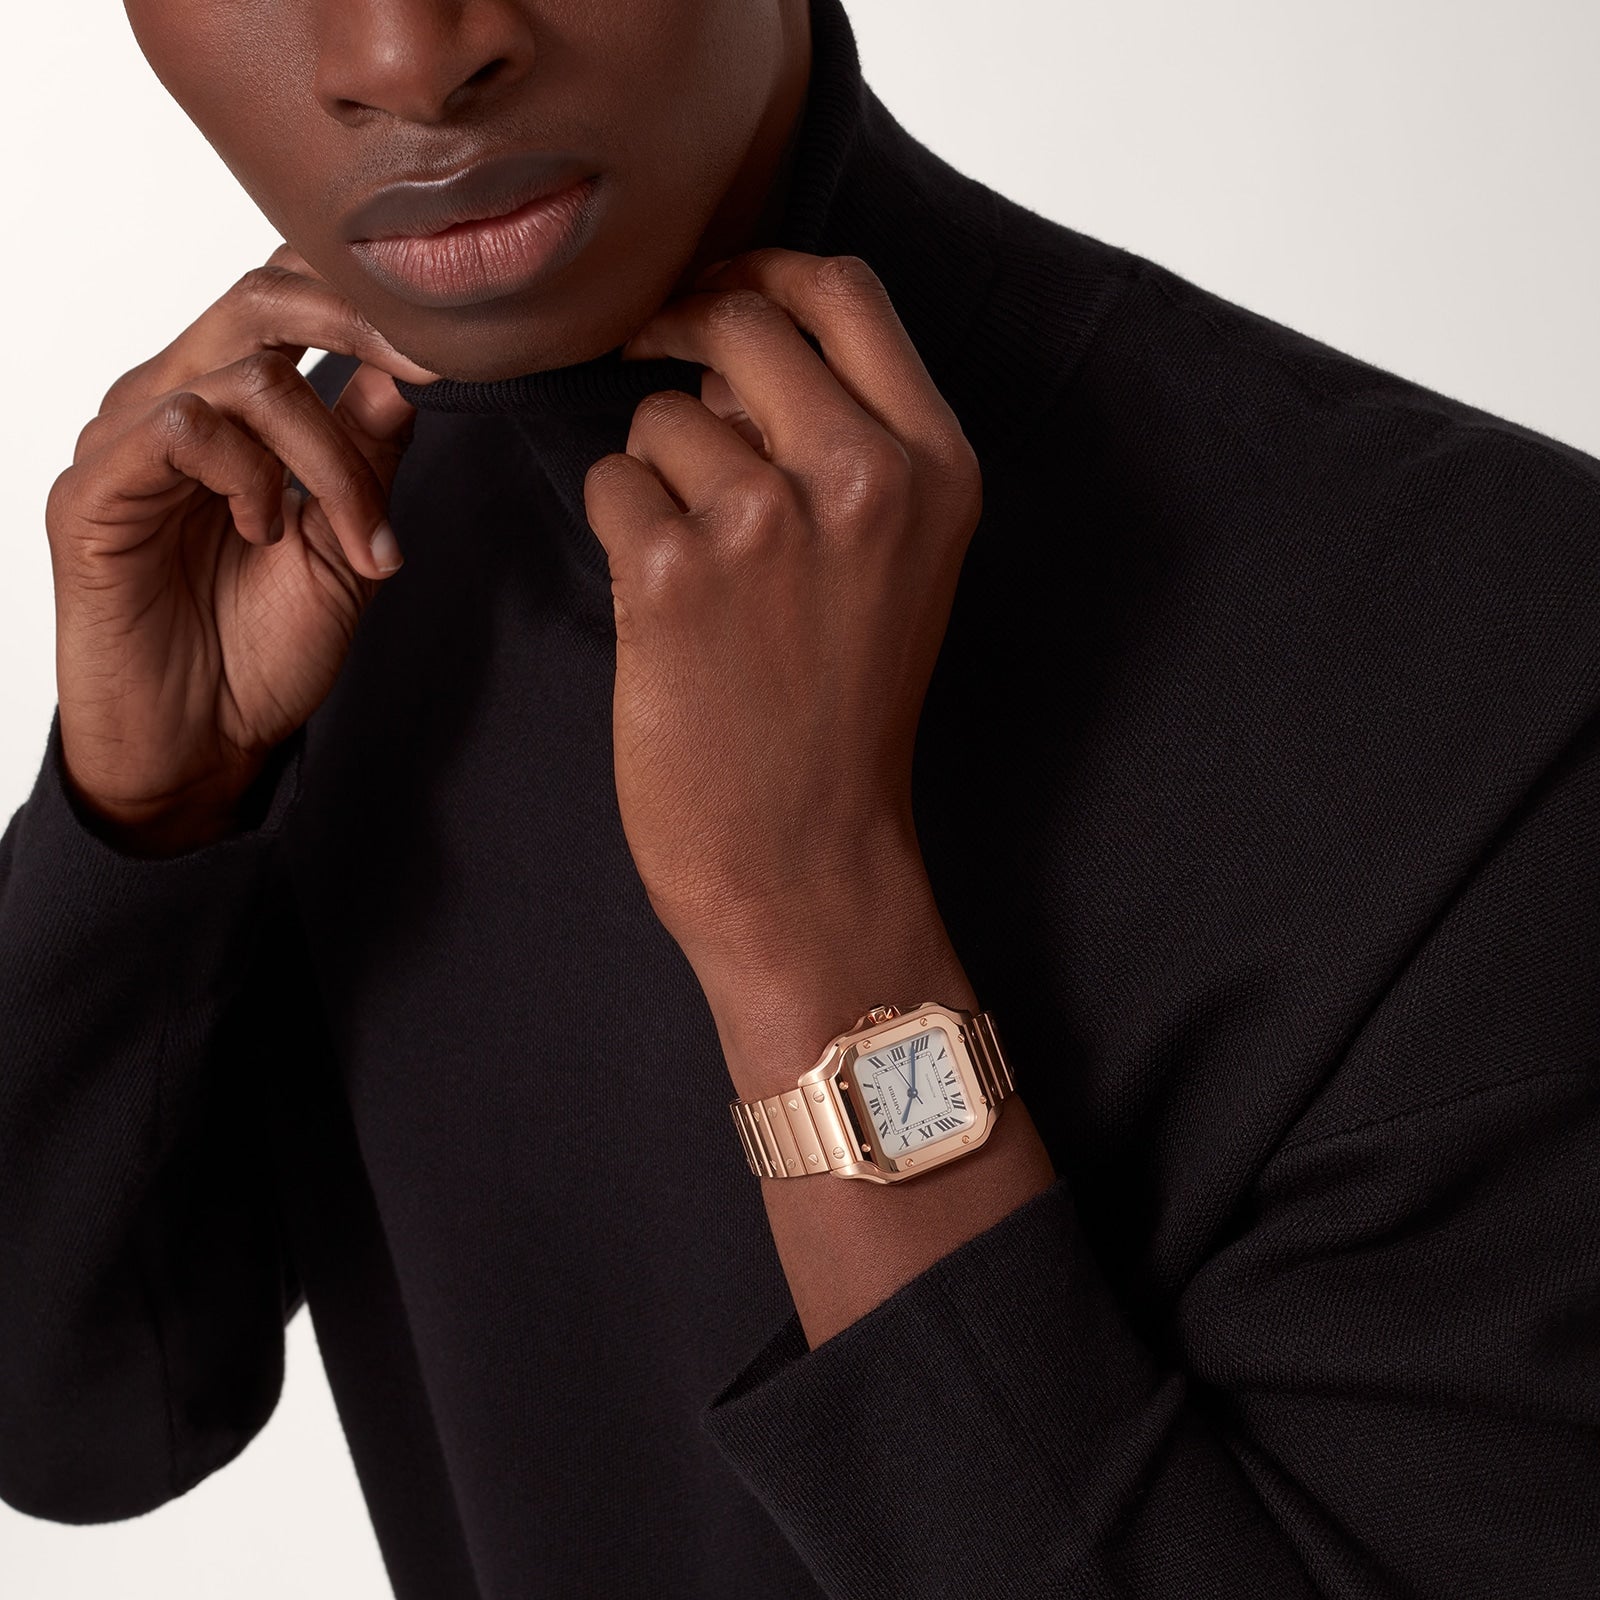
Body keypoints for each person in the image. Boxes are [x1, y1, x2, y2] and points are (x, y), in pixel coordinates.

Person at [2, 0, 1597, 1594]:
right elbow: (75, 1430)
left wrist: (810, 925)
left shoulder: (1501, 669)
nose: (411, 55)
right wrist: (141, 827)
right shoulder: (320, 569)